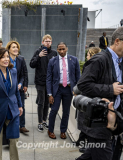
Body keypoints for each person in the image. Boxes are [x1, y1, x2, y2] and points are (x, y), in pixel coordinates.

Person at [76, 27, 123, 160]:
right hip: (99, 123)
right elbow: (83, 85)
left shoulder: (120, 60)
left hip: (113, 122)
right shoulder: (99, 59)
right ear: (118, 41)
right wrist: (110, 89)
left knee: (91, 155)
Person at [0, 48, 23, 160]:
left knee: (14, 139)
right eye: (2, 57)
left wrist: (19, 105)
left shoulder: (13, 71)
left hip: (12, 108)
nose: (6, 59)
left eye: (7, 56)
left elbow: (15, 91)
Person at [46, 42, 80, 139]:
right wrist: (49, 94)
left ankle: (63, 131)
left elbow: (78, 77)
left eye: (63, 49)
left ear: (67, 49)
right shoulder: (52, 61)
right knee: (54, 110)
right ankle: (50, 130)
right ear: (57, 50)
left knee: (66, 112)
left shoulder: (74, 60)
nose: (61, 51)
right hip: (57, 89)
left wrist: (77, 91)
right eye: (59, 49)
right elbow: (48, 79)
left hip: (69, 89)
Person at [75, 47, 101, 153]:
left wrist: (76, 90)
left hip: (88, 98)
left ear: (92, 55)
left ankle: (87, 146)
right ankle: (81, 141)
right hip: (89, 97)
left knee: (87, 123)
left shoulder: (91, 66)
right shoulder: (98, 66)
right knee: (84, 122)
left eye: (88, 54)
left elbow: (83, 83)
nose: (86, 56)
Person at [30, 34, 58, 132]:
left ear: (51, 42)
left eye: (49, 41)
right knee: (41, 102)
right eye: (46, 41)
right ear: (42, 42)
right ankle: (40, 123)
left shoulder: (54, 53)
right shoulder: (38, 52)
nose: (47, 42)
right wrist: (39, 56)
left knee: (47, 102)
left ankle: (44, 120)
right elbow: (31, 64)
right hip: (40, 81)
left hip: (49, 82)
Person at [5, 40, 29, 133]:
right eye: (13, 47)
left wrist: (22, 84)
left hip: (19, 88)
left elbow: (24, 73)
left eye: (17, 47)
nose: (16, 49)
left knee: (21, 106)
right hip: (9, 88)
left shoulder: (21, 59)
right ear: (9, 49)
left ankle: (22, 126)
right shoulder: (6, 60)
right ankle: (10, 125)